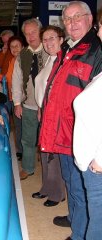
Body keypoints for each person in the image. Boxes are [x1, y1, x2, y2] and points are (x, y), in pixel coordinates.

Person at [39, 1, 102, 239]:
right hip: (65, 132)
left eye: (78, 17)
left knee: (82, 188)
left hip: (80, 134)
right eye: (67, 19)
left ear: (90, 20)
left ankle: (81, 232)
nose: (72, 23)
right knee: (71, 183)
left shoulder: (96, 51)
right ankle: (76, 219)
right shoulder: (67, 48)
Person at [73, 8, 102, 240]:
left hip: (97, 165)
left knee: (97, 226)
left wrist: (100, 160)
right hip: (91, 160)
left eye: (100, 27)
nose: (98, 33)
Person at [32, 26, 66, 207]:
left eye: (52, 38)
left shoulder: (63, 60)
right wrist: (39, 107)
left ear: (61, 39)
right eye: (45, 40)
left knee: (54, 155)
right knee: (45, 153)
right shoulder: (50, 59)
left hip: (56, 114)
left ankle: (57, 193)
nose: (48, 43)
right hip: (44, 111)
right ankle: (46, 187)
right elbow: (43, 88)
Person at [12, 18, 48, 180]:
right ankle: (28, 167)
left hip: (48, 106)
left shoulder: (51, 51)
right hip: (29, 105)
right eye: (27, 34)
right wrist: (17, 103)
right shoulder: (22, 55)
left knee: (47, 140)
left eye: (33, 32)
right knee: (27, 139)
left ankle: (49, 172)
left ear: (40, 31)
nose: (30, 36)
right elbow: (16, 80)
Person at [6, 36, 24, 160]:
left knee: (23, 126)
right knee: (18, 126)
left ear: (23, 46)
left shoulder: (23, 60)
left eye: (17, 45)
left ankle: (23, 151)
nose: (14, 48)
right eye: (12, 46)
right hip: (14, 97)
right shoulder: (13, 60)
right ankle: (20, 150)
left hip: (22, 99)